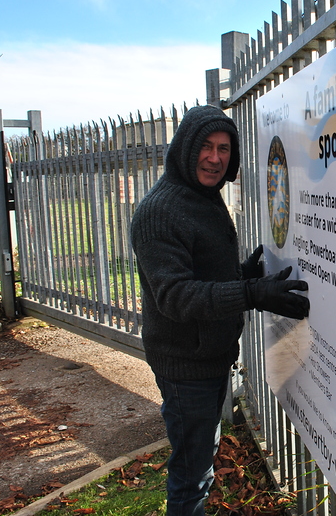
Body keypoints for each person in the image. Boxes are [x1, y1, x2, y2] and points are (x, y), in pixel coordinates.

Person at [130, 104, 310, 516]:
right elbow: (176, 296)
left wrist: (243, 274)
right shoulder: (159, 212)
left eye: (224, 148)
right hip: (185, 367)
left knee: (201, 461)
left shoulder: (203, 198)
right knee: (192, 476)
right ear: (185, 148)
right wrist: (251, 293)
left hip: (209, 357)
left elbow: (201, 271)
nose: (215, 158)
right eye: (206, 147)